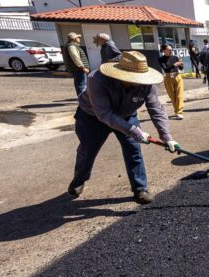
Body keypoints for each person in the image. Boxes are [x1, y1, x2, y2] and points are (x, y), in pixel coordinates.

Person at [68, 51, 180, 205]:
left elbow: (156, 109)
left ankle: (140, 189)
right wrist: (134, 131)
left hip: (127, 115)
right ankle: (79, 179)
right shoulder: (97, 79)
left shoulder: (146, 84)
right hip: (92, 117)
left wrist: (167, 136)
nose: (138, 82)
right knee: (87, 150)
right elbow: (104, 114)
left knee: (133, 150)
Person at [159, 44, 185, 120]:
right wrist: (174, 65)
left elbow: (180, 67)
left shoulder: (175, 57)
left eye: (171, 50)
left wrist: (181, 64)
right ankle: (177, 111)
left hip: (177, 76)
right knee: (172, 96)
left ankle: (179, 112)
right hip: (168, 77)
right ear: (164, 50)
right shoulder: (161, 59)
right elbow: (165, 69)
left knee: (179, 95)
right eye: (169, 50)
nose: (171, 51)